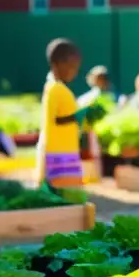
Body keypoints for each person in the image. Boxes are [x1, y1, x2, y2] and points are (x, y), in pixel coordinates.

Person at [37, 39, 100, 188]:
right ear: (57, 64)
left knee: (69, 191)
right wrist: (78, 116)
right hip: (58, 153)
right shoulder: (55, 89)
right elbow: (55, 120)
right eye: (71, 67)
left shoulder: (60, 88)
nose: (75, 71)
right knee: (64, 191)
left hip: (66, 148)